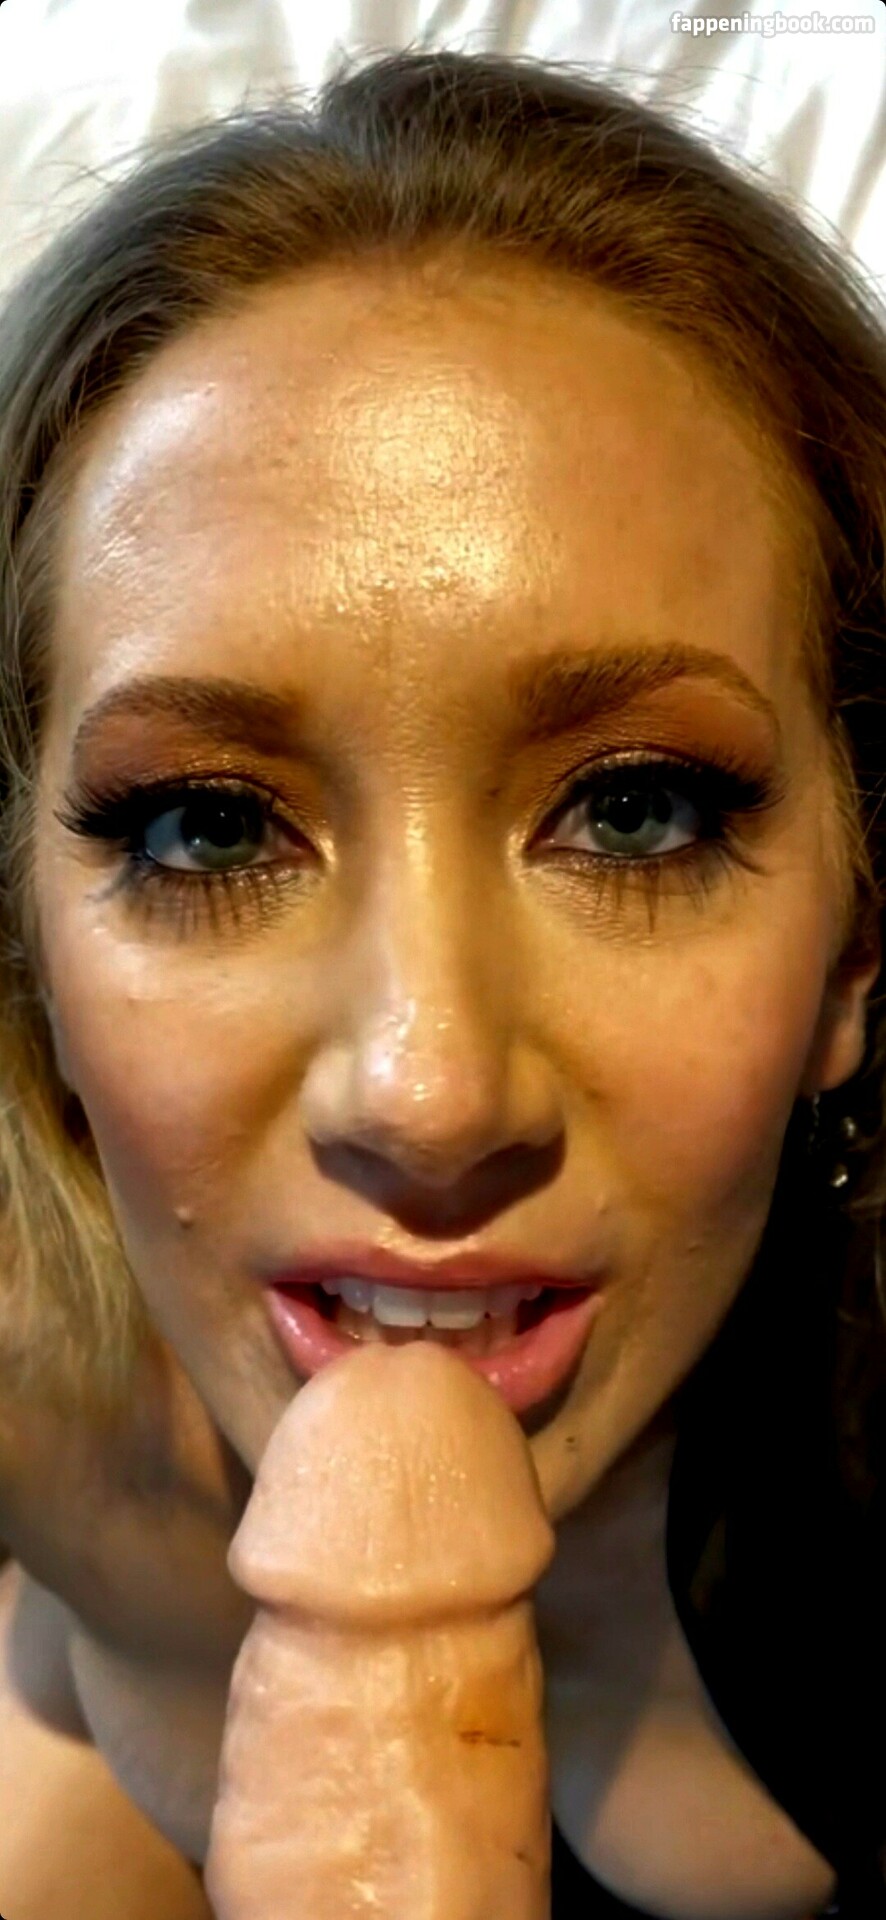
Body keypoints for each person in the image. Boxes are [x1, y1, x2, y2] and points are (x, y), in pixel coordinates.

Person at [0, 43, 885, 1920]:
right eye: (206, 830)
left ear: (853, 946)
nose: (426, 1090)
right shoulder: (41, 1406)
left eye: (634, 811)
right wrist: (159, 1646)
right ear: (31, 959)